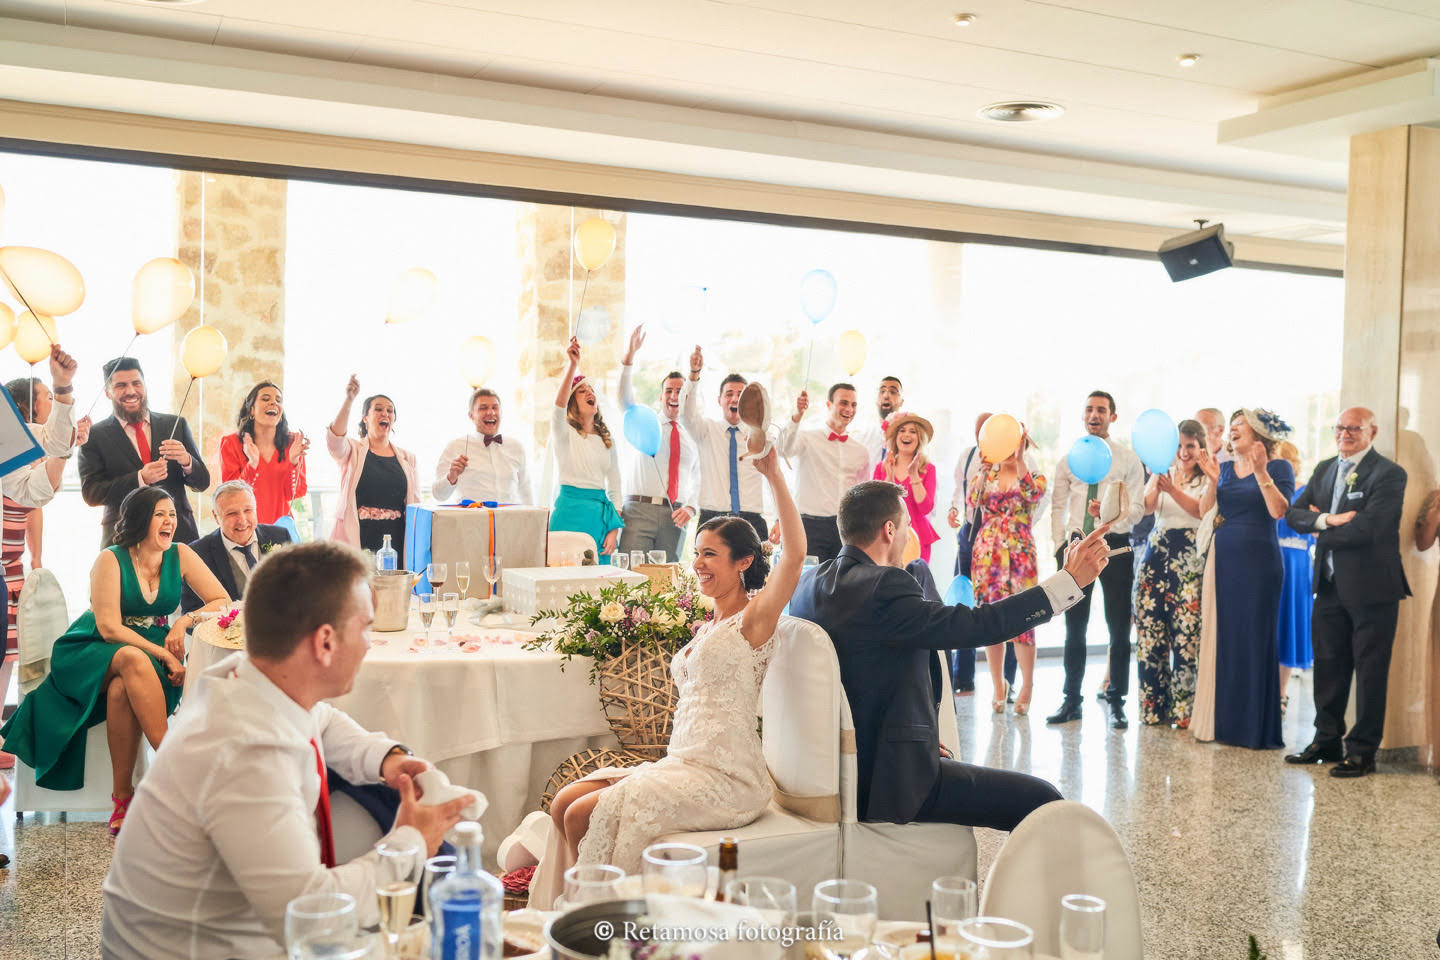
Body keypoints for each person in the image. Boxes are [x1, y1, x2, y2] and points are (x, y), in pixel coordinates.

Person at [100, 541, 471, 960]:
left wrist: (386, 758)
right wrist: (412, 841)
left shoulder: (243, 677)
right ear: (325, 642)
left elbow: (322, 721)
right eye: (364, 628)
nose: (369, 644)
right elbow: (312, 914)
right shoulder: (243, 754)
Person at [535, 446, 804, 900]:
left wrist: (775, 475)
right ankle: (566, 915)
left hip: (728, 776)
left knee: (581, 815)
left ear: (742, 562)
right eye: (697, 552)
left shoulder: (754, 620)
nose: (698, 563)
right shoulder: (707, 624)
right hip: (682, 762)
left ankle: (598, 919)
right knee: (564, 802)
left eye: (711, 555)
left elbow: (794, 556)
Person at [789, 480, 1112, 830]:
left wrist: (916, 736)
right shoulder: (884, 587)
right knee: (1044, 800)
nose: (909, 535)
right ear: (889, 529)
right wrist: (1068, 581)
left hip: (839, 767)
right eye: (908, 526)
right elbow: (976, 626)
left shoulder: (809, 584)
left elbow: (861, 670)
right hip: (890, 782)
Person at [0, 487, 228, 834]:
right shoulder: (111, 558)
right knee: (131, 660)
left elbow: (220, 600)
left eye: (171, 514)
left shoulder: (180, 554)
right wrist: (166, 653)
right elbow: (108, 627)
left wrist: (184, 621)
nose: (170, 521)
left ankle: (123, 799)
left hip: (147, 650)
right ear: (140, 519)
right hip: (93, 648)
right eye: (159, 514)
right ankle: (178, 774)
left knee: (123, 689)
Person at [1283, 407, 1409, 778]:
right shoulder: (1324, 468)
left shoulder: (1389, 474)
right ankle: (1326, 741)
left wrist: (1320, 529)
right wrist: (1326, 520)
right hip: (1329, 585)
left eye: (1354, 428)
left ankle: (1362, 751)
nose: (1345, 433)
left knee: (1370, 673)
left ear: (1372, 432)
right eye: (1340, 427)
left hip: (1373, 589)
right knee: (1328, 665)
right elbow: (1293, 514)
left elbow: (1370, 528)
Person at [0, 346, 88, 771]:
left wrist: (63, 389)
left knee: (5, 655)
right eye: (46, 400)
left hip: (5, 568)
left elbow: (39, 492)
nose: (49, 408)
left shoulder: (13, 436)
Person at [1192, 409, 1295, 750]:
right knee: (1226, 639)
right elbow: (1206, 511)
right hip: (1224, 562)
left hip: (1260, 564)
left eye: (1240, 426)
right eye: (1232, 426)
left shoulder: (1280, 468)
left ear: (1260, 435)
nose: (1233, 431)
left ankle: (1254, 728)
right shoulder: (1221, 469)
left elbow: (1278, 511)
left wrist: (1262, 470)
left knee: (1255, 639)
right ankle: (1225, 723)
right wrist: (1210, 480)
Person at [1045, 390, 1145, 729]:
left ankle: (1116, 700)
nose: (1094, 414)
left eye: (1101, 410)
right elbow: (1058, 506)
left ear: (1112, 417)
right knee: (1075, 628)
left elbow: (1138, 510)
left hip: (1114, 546)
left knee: (1118, 628)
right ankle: (1071, 700)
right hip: (1076, 547)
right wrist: (1061, 545)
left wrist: (1109, 517)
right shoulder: (1068, 459)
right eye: (1089, 409)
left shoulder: (1127, 460)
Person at [79, 356, 211, 547]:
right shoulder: (95, 435)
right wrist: (140, 478)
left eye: (136, 383)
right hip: (124, 538)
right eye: (121, 386)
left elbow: (203, 483)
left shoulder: (176, 424)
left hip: (178, 536)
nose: (130, 391)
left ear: (145, 386)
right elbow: (91, 493)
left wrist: (187, 461)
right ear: (107, 392)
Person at [1133, 419, 1208, 728]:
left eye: (1190, 445)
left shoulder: (1209, 478)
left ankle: (1184, 711)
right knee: (1151, 633)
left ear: (1200, 447)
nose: (1184, 451)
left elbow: (1201, 510)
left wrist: (1173, 489)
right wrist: (1155, 480)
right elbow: (1148, 507)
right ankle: (1153, 709)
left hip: (1188, 557)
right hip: (1156, 554)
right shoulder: (1164, 472)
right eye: (1178, 445)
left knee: (1186, 635)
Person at [967, 432, 1046, 716]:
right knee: (990, 618)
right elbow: (972, 500)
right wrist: (983, 470)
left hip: (1020, 553)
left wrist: (1021, 460)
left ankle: (1027, 685)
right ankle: (998, 685)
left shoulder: (1032, 473)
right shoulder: (987, 473)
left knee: (1024, 619)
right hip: (987, 552)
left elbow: (1034, 494)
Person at [946, 412, 1015, 696]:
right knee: (964, 603)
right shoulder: (968, 455)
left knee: (1004, 607)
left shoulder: (1015, 460)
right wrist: (953, 510)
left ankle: (1007, 681)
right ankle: (963, 677)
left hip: (1001, 541)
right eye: (979, 431)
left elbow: (1037, 498)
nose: (982, 437)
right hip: (969, 534)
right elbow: (958, 490)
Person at [616, 327, 698, 562]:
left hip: (676, 515)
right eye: (669, 391)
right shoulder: (645, 423)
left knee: (666, 585)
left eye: (680, 391)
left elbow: (701, 479)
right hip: (638, 511)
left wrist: (691, 507)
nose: (674, 395)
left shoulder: (693, 435)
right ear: (661, 397)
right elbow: (623, 400)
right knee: (631, 580)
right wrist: (629, 357)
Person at [326, 376, 420, 563]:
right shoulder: (353, 450)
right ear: (365, 418)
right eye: (378, 409)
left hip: (396, 539)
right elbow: (334, 440)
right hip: (359, 537)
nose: (385, 413)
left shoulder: (408, 458)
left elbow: (416, 506)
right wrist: (349, 399)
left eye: (390, 411)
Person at [680, 346, 769, 540]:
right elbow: (685, 413)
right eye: (729, 394)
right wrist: (694, 376)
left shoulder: (760, 436)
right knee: (707, 570)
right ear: (719, 400)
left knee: (758, 570)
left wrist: (778, 517)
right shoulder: (705, 430)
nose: (735, 398)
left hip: (751, 518)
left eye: (741, 394)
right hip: (713, 518)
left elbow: (773, 477)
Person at [776, 383, 871, 563]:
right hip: (808, 525)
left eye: (853, 404)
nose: (849, 409)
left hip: (846, 528)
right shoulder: (807, 438)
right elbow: (783, 449)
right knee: (806, 583)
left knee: (843, 584)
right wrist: (797, 416)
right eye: (843, 403)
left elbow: (862, 494)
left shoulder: (860, 451)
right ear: (829, 405)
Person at [551, 338, 623, 560]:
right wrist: (572, 366)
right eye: (582, 391)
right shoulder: (565, 435)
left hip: (597, 517)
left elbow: (616, 488)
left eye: (592, 390)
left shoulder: (607, 440)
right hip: (567, 514)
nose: (590, 393)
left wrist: (614, 530)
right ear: (573, 402)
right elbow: (557, 410)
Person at [181, 481, 295, 613]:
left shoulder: (281, 536)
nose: (242, 520)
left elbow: (298, 587)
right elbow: (191, 612)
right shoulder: (198, 553)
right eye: (231, 513)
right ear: (216, 517)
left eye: (248, 510)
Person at [220, 381, 309, 525]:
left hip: (281, 530)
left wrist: (293, 461)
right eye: (266, 399)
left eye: (278, 400)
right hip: (244, 528)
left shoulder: (293, 443)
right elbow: (231, 496)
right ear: (251, 410)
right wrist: (252, 465)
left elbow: (296, 493)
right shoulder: (231, 443)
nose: (274, 403)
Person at [432, 387, 533, 505]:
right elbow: (438, 495)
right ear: (471, 415)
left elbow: (526, 491)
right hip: (472, 520)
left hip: (510, 520)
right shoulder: (455, 447)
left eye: (495, 407)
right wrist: (451, 477)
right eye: (483, 408)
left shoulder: (516, 447)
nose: (491, 412)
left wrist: (535, 521)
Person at [1273, 440, 1314, 711]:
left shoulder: (1306, 492)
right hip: (1268, 557)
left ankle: (1281, 692)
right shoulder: (1265, 490)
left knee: (1288, 625)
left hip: (1296, 564)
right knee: (1270, 626)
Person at [874, 413, 939, 562]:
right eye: (902, 430)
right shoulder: (881, 468)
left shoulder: (928, 469)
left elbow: (925, 508)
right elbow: (876, 508)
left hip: (918, 538)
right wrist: (889, 479)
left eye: (912, 431)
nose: (906, 435)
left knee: (915, 582)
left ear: (919, 438)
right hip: (886, 537)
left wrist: (914, 475)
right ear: (896, 437)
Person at [855, 375, 907, 464]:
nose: (886, 395)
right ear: (875, 400)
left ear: (901, 401)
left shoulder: (910, 438)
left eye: (893, 392)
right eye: (882, 391)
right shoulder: (862, 437)